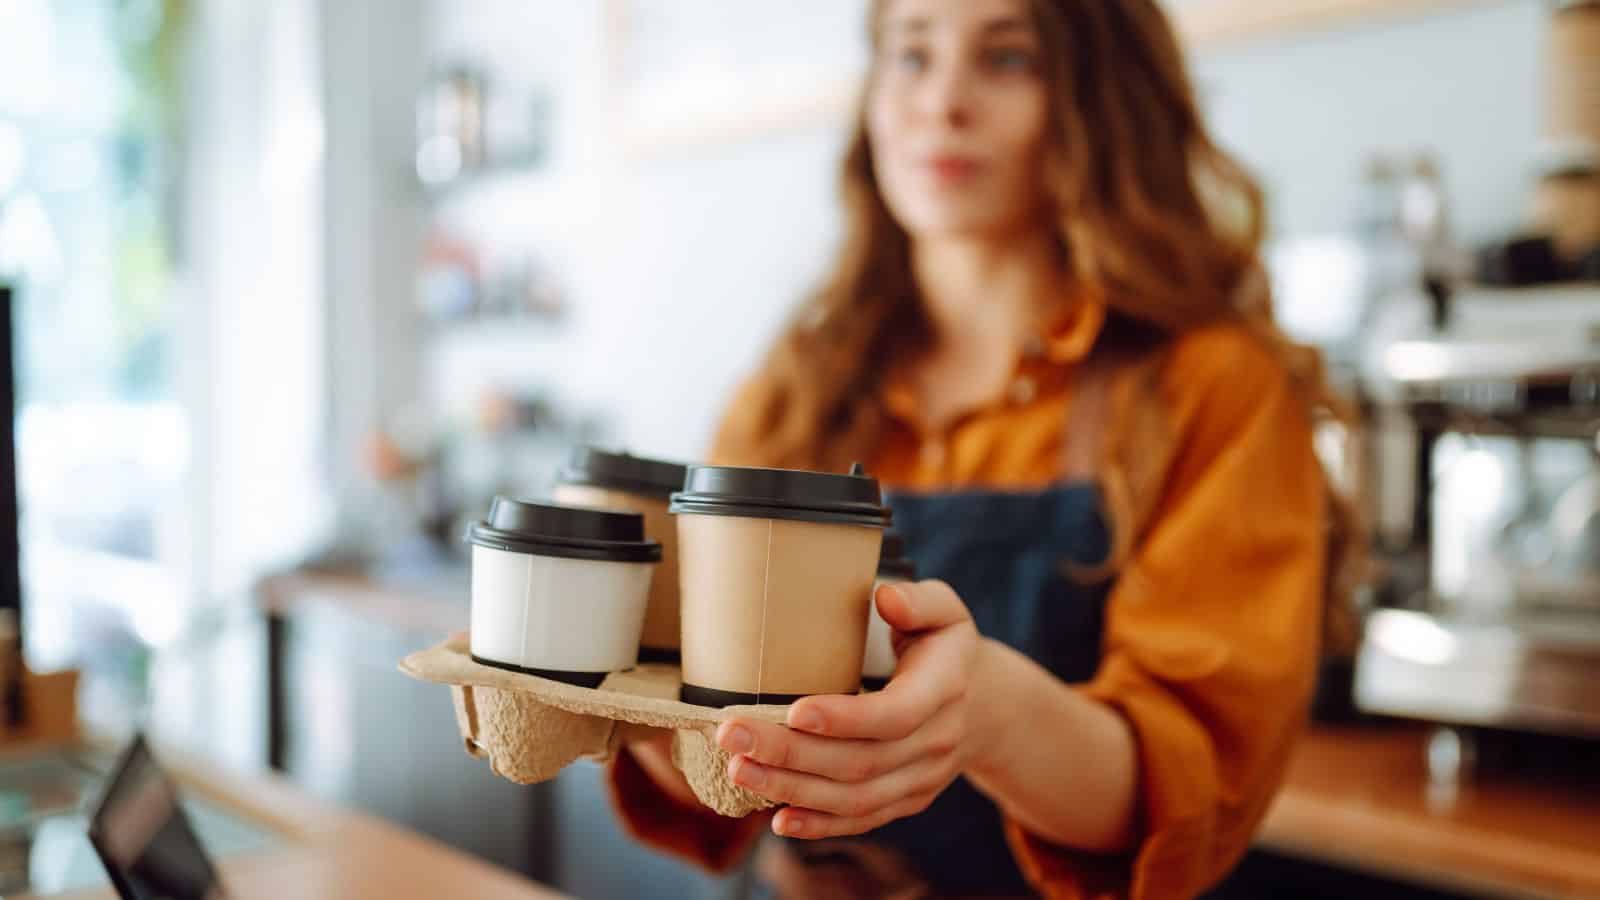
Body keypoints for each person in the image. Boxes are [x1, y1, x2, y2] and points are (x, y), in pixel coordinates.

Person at [604, 0, 1361, 897]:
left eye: (1007, 61)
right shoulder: (797, 392)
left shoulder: (1214, 389)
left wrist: (984, 714)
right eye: (912, 55)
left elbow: (1189, 791)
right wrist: (642, 705)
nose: (942, 103)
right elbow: (722, 769)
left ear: (1103, 98)